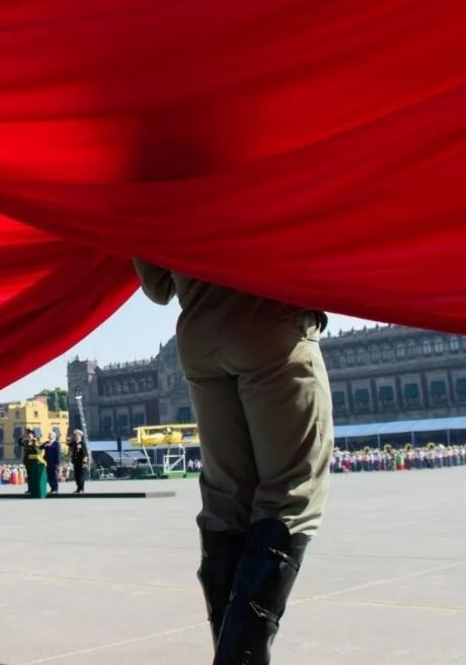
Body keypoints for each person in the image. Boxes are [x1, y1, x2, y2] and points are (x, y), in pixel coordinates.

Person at [133, 261, 333, 665]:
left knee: (226, 504)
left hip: (200, 340)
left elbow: (157, 289)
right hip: (271, 323)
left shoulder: (150, 192)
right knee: (290, 497)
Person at [19, 429, 47, 498]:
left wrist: (33, 444)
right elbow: (20, 443)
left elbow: (37, 451)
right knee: (29, 476)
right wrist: (22, 436)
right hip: (27, 461)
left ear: (33, 435)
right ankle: (29, 489)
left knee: (33, 476)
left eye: (30, 434)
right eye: (28, 435)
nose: (29, 436)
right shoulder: (25, 441)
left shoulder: (35, 441)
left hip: (34, 461)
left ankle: (34, 489)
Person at [68, 430, 89, 494]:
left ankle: (81, 489)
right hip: (75, 462)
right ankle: (78, 488)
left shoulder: (82, 444)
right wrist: (70, 438)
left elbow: (85, 454)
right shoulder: (74, 443)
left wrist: (84, 462)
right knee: (76, 476)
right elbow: (67, 443)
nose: (75, 436)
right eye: (75, 435)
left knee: (81, 476)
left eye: (76, 435)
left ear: (80, 436)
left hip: (81, 463)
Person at [43, 430, 62, 494]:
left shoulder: (56, 443)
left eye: (50, 435)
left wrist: (58, 463)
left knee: (54, 476)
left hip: (54, 463)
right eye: (49, 435)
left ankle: (55, 489)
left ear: (54, 436)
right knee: (49, 476)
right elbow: (40, 447)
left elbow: (58, 454)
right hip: (47, 462)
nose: (49, 436)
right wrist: (45, 445)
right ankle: (52, 488)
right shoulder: (47, 442)